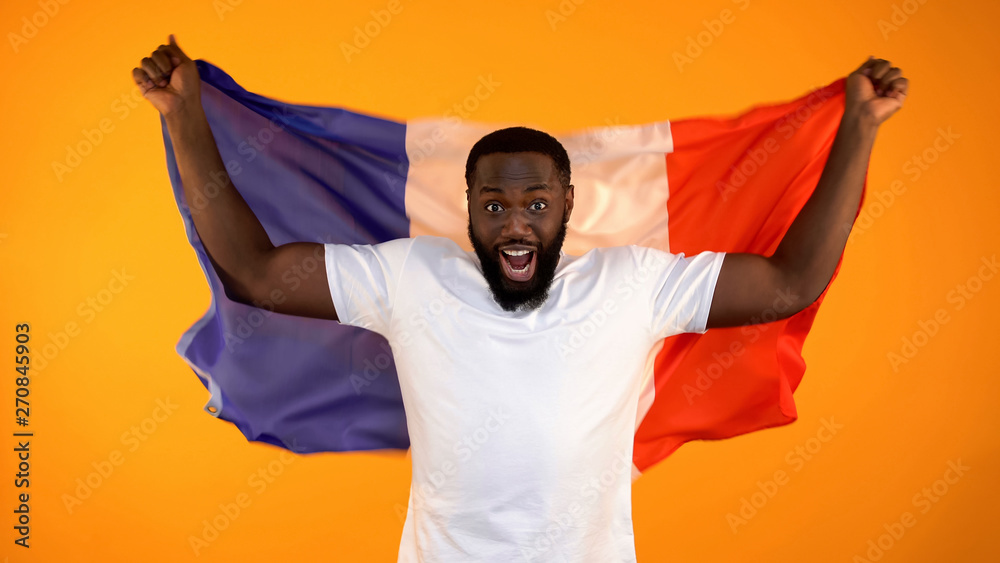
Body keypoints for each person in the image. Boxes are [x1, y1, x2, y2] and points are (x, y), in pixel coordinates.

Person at [134, 35, 907, 562]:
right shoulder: (413, 275)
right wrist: (183, 116)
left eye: (535, 203)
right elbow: (255, 272)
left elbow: (788, 284)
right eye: (495, 204)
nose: (515, 222)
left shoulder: (633, 284)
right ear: (469, 207)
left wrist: (860, 128)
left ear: (567, 204)